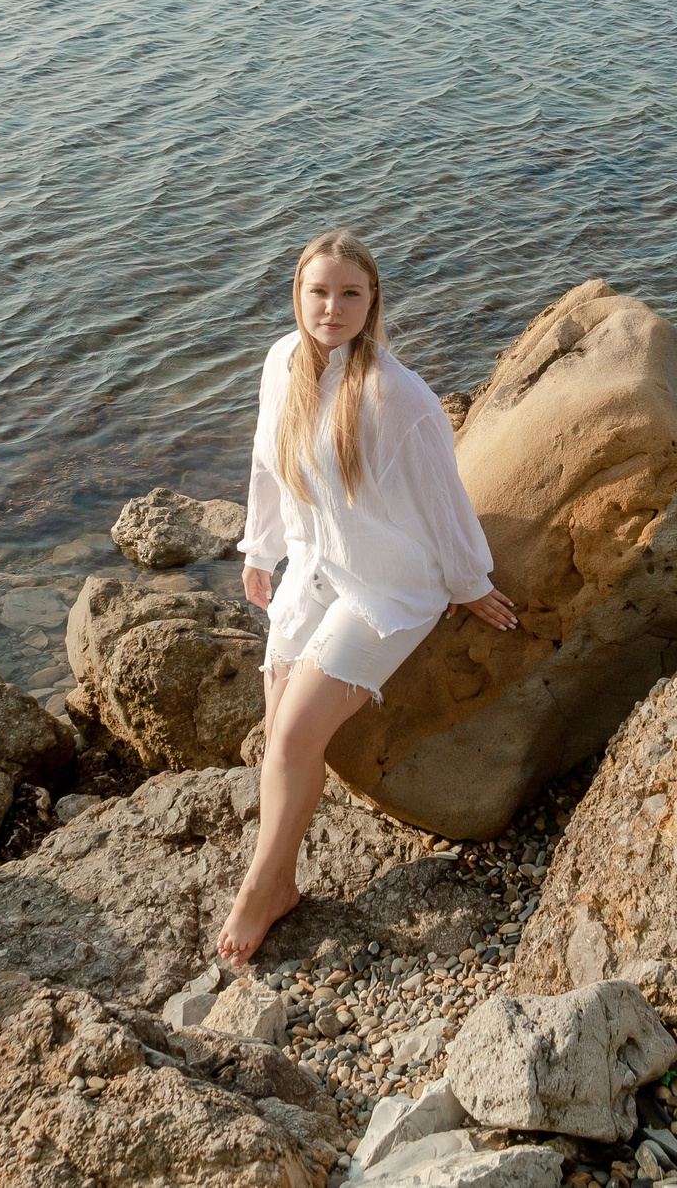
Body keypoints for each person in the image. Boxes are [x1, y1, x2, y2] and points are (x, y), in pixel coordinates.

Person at [215, 229, 517, 966]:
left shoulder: (397, 394)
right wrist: (262, 548)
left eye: (350, 292)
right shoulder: (280, 363)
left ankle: (259, 887)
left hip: (389, 584)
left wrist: (469, 582)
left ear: (372, 299)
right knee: (276, 707)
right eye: (319, 291)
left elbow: (443, 498)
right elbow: (267, 461)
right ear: (298, 295)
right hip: (318, 566)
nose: (332, 307)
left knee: (292, 735)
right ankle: (280, 875)